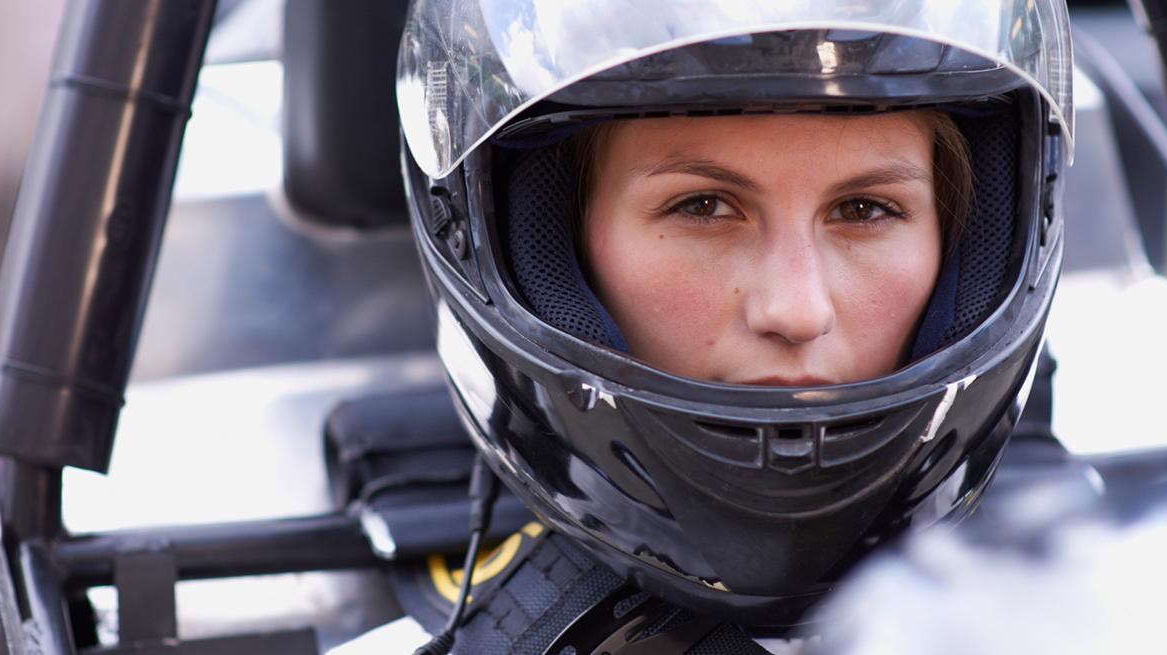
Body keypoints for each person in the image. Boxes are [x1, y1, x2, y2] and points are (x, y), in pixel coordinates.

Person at [334, 1, 1074, 652]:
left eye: (864, 210)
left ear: (967, 241)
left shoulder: (1131, 601)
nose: (795, 309)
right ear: (554, 242)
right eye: (703, 207)